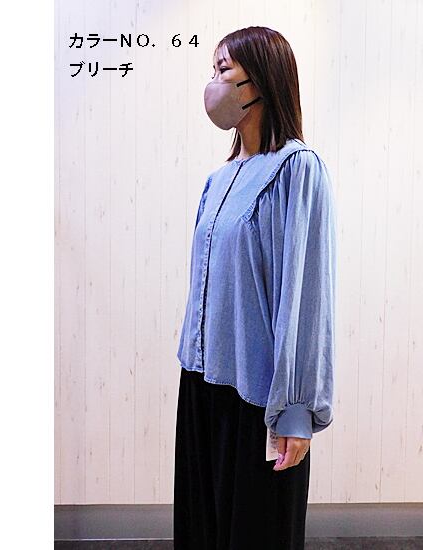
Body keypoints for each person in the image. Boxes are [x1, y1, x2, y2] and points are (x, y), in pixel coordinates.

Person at [173, 26, 337, 550]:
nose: (214, 84)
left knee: (257, 534)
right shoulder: (218, 179)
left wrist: (297, 410)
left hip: (260, 398)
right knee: (202, 532)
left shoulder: (297, 169)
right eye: (213, 71)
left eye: (224, 70)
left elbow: (307, 297)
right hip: (201, 385)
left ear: (261, 80)